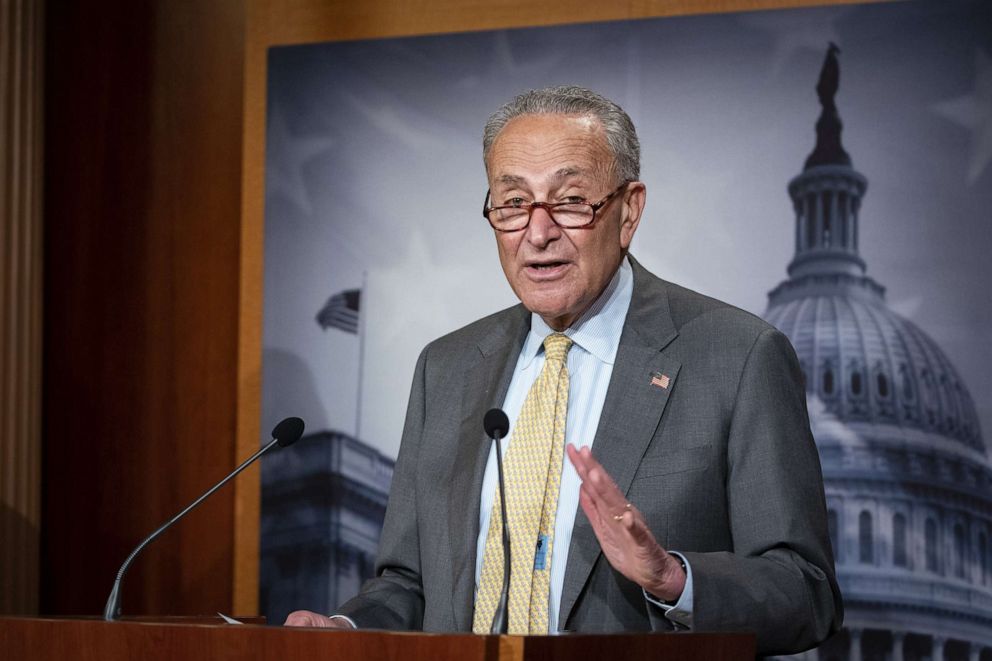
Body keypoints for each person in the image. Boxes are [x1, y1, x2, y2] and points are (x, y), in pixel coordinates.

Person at [285, 86, 842, 656]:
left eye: (571, 200)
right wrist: (347, 628)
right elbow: (409, 584)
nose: (538, 231)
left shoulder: (738, 356)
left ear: (629, 211)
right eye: (513, 203)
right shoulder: (446, 367)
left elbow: (808, 592)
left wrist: (674, 580)